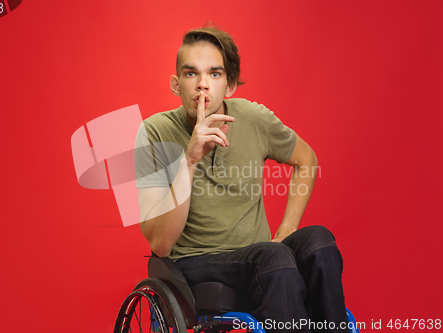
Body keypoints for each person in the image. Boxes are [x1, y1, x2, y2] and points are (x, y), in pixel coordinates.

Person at [134, 26, 349, 333]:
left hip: (261, 257)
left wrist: (286, 230)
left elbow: (307, 161)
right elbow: (161, 243)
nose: (203, 85)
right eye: (191, 73)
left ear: (230, 85)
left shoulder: (254, 119)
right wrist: (190, 160)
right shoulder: (154, 132)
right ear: (176, 83)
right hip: (194, 262)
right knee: (272, 257)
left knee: (319, 241)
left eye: (215, 74)